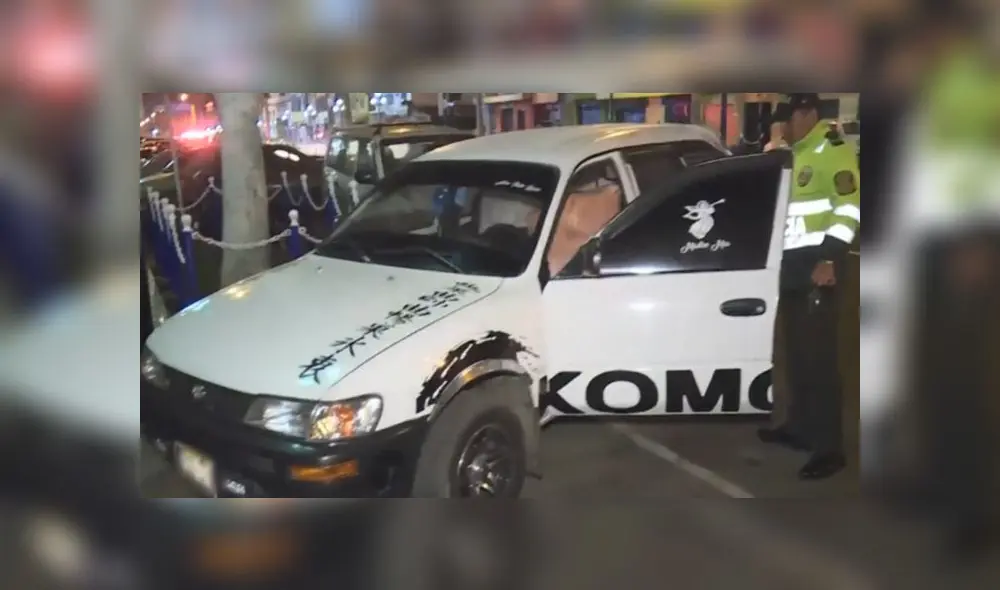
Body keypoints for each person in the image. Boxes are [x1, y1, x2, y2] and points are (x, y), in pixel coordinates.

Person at [758, 93, 861, 480]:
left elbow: (848, 207)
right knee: (798, 355)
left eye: (787, 119)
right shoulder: (794, 153)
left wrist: (830, 258)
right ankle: (800, 429)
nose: (782, 127)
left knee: (820, 361)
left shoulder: (831, 149)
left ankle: (830, 449)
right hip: (791, 268)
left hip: (819, 267)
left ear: (807, 114)